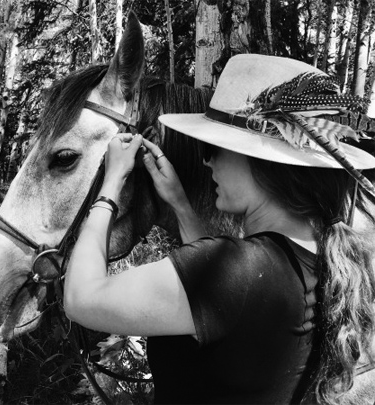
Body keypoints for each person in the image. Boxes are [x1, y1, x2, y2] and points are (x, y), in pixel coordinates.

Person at [64, 54, 375, 404]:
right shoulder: (313, 258)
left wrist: (111, 185)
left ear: (262, 162)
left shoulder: (243, 271)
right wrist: (181, 204)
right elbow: (224, 310)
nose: (207, 159)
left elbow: (81, 298)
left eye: (213, 147)